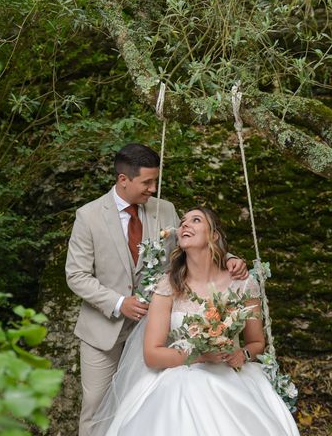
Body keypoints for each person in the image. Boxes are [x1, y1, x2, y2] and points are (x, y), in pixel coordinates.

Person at [66, 144, 248, 436]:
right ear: (123, 180)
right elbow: (76, 275)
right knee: (97, 408)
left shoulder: (165, 210)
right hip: (103, 331)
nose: (153, 188)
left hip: (157, 330)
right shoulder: (88, 217)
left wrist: (228, 259)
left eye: (155, 181)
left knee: (143, 406)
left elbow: (193, 245)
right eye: (147, 182)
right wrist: (118, 302)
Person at [90, 207, 300, 436]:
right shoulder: (168, 285)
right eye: (182, 222)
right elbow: (152, 355)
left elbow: (257, 342)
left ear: (214, 235)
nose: (185, 225)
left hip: (232, 374)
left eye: (196, 220)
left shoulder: (243, 283)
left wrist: (244, 355)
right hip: (181, 376)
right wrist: (200, 356)